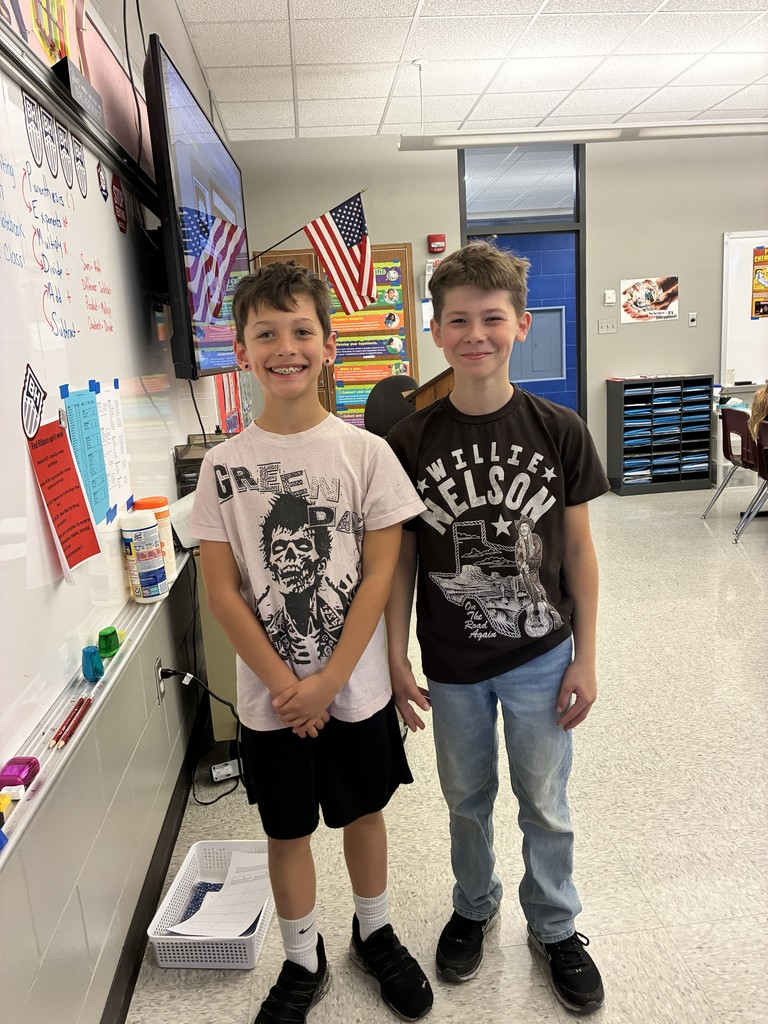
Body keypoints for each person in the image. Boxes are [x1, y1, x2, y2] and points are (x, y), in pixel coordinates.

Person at [191, 260, 433, 1024]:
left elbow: (380, 575)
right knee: (285, 829)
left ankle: (374, 932)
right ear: (242, 349)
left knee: (365, 814)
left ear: (330, 346)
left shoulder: (366, 455)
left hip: (354, 691)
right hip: (270, 703)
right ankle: (302, 958)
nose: (285, 346)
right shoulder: (222, 469)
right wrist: (288, 686)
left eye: (302, 330)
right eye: (267, 333)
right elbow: (223, 591)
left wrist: (329, 681)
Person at [385, 242, 609, 1015]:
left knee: (545, 798)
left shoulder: (559, 429)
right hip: (451, 664)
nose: (474, 333)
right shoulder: (409, 443)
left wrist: (587, 657)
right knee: (465, 795)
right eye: (458, 320)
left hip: (543, 656)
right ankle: (474, 906)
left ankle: (555, 924)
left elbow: (578, 552)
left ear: (518, 325)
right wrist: (393, 657)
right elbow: (403, 567)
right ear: (437, 332)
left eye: (491, 318)